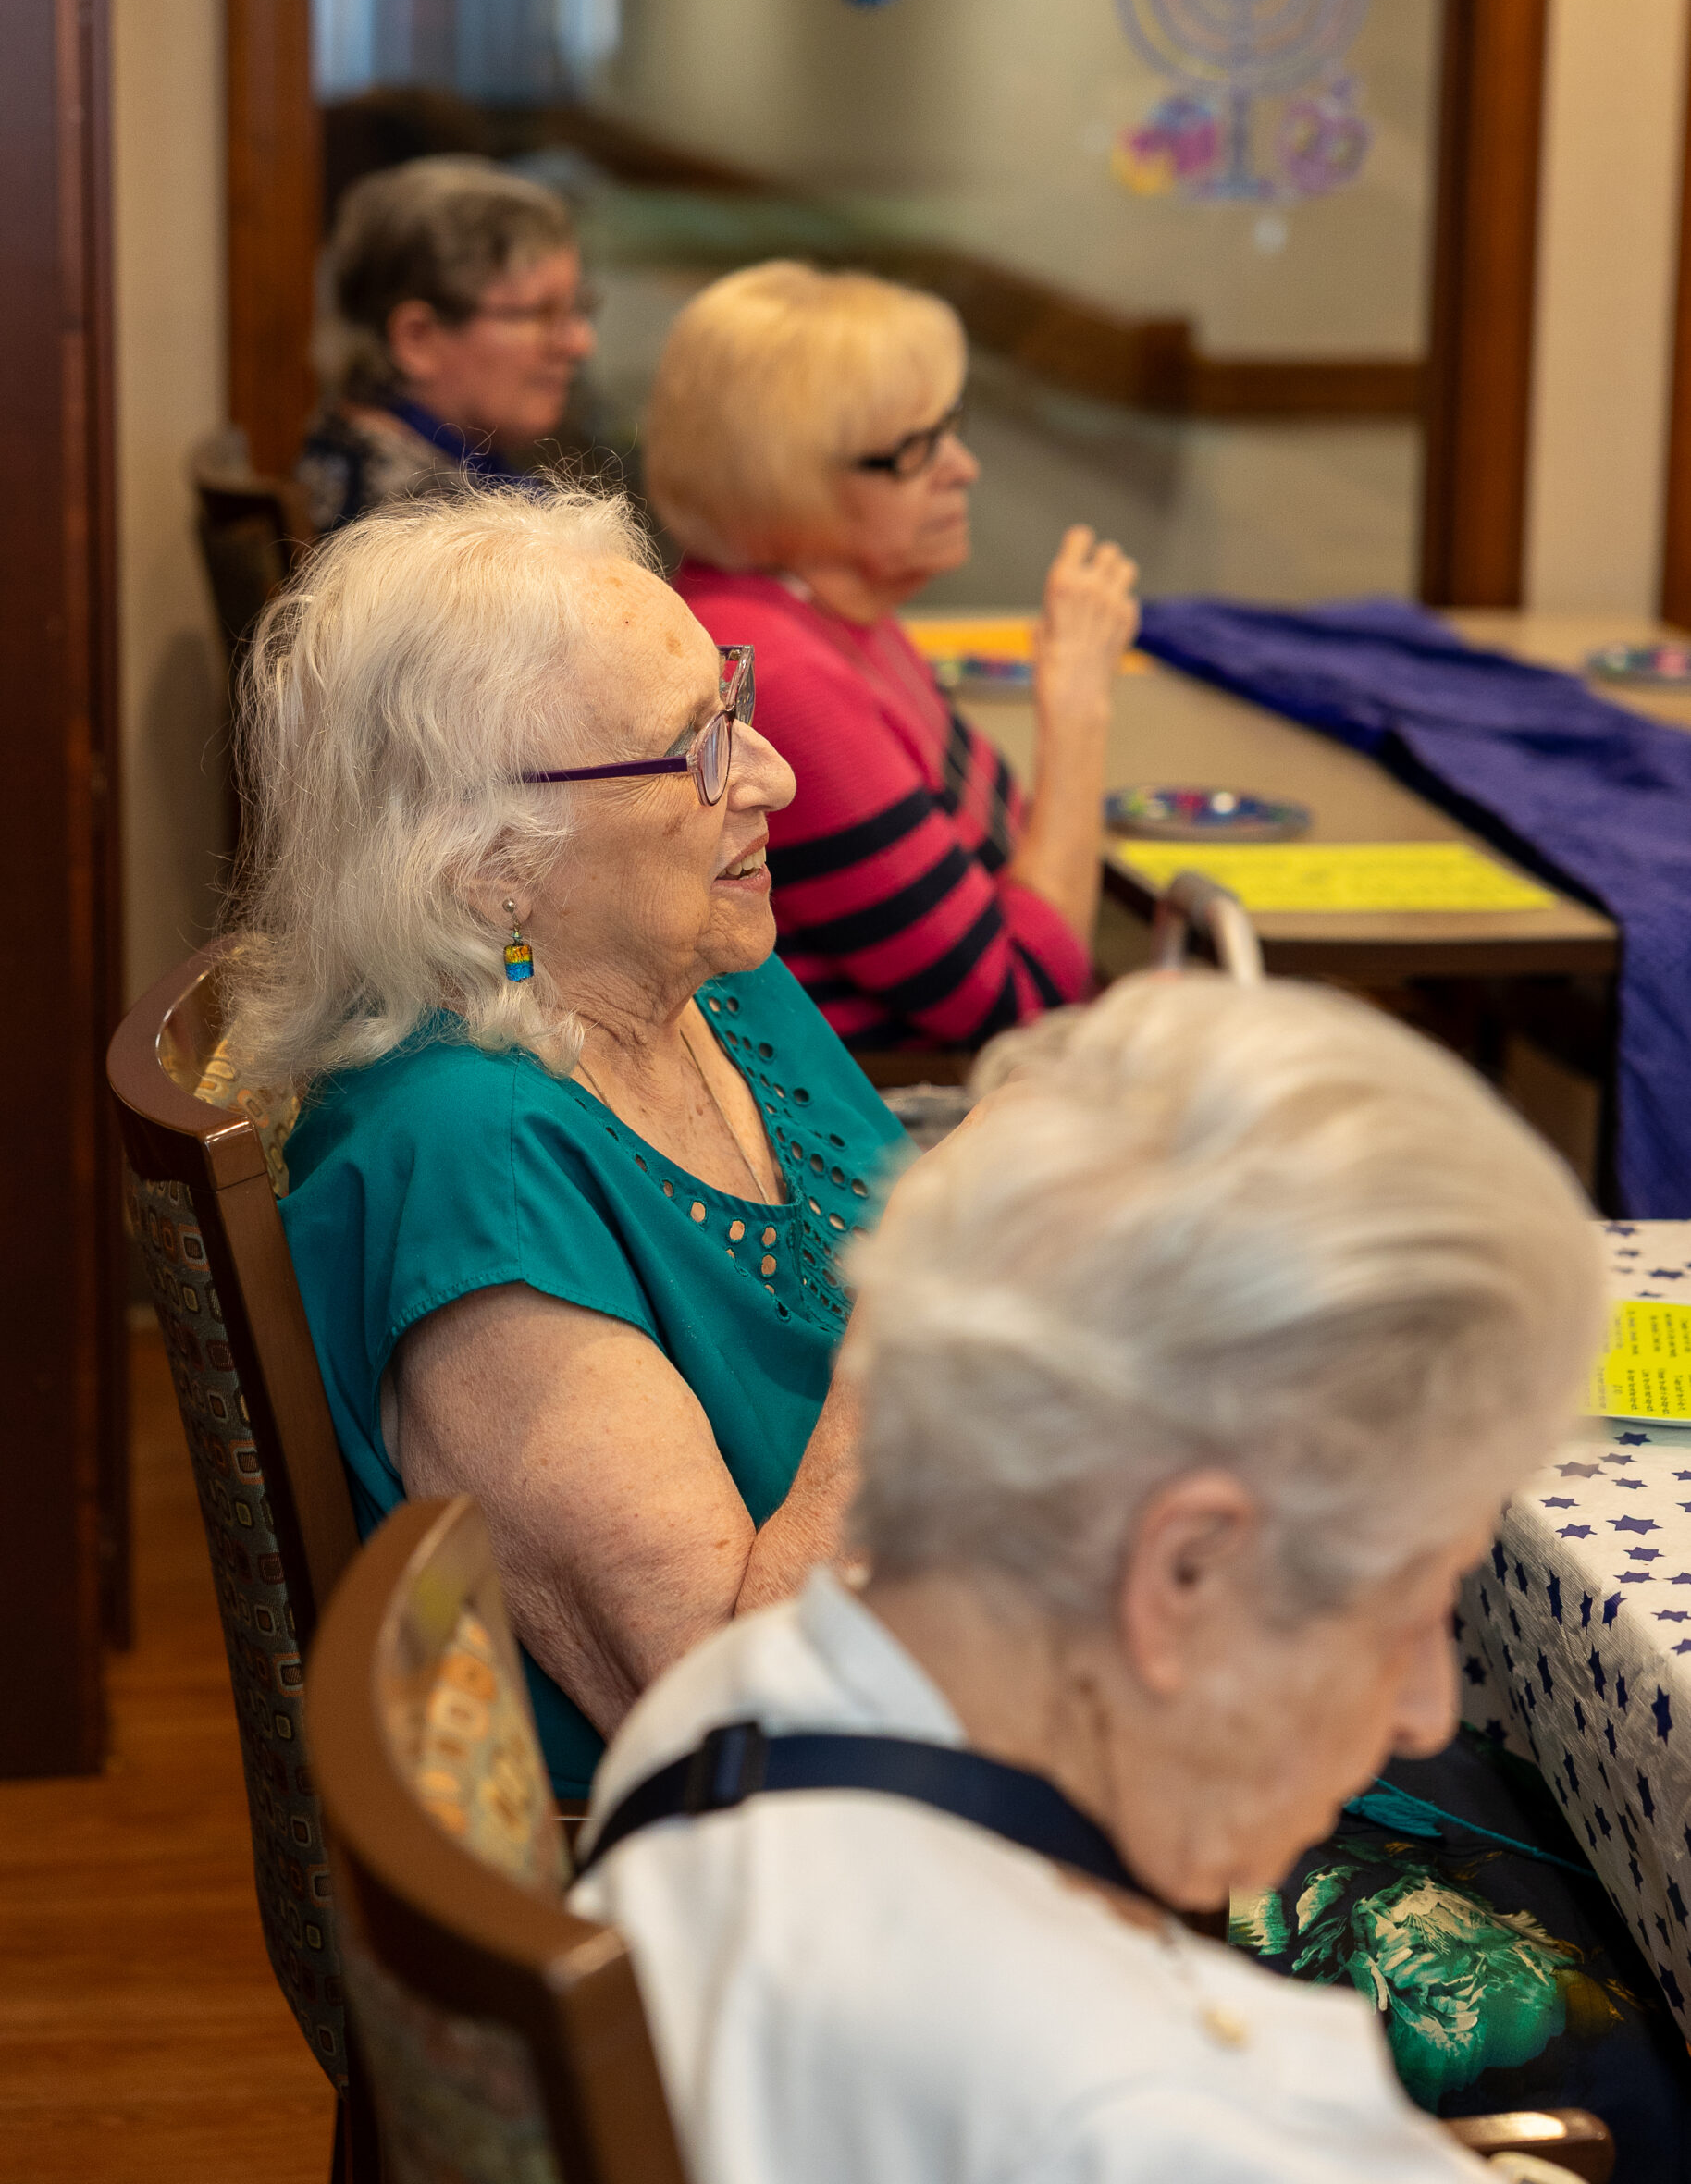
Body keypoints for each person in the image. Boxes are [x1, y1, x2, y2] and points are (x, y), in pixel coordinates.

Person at [570, 971, 1635, 2181]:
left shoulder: (730, 1708)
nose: (1427, 1709)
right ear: (1183, 1569)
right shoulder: (1143, 2122)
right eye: (1407, 1607)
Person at [220, 480, 910, 1799]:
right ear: (494, 862)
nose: (772, 775)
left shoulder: (712, 975)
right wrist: (941, 1298)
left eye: (734, 702)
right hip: (829, 1851)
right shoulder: (469, 1170)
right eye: (696, 747)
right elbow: (741, 1734)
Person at [643, 261, 1140, 1052]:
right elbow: (1017, 1001)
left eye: (950, 429)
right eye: (916, 450)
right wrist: (1078, 709)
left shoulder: (831, 609)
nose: (964, 469)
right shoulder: (783, 673)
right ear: (787, 476)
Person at [296, 156, 597, 536]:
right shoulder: (421, 527)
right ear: (417, 339)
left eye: (577, 310)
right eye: (538, 314)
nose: (580, 343)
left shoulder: (345, 451)